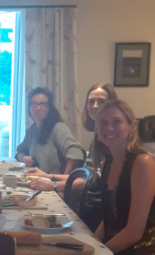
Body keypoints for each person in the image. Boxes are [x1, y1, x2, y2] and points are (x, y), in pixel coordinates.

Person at [89, 99, 155, 255]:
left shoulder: (143, 163)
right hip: (117, 252)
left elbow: (133, 232)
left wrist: (97, 254)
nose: (109, 128)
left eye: (117, 121)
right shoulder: (110, 161)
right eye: (103, 122)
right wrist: (90, 246)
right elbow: (109, 220)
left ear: (131, 127)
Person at [26, 83, 118, 232]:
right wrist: (46, 176)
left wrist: (54, 184)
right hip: (87, 204)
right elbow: (90, 176)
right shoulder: (97, 139)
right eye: (91, 101)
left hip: (94, 209)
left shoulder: (58, 128)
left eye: (101, 101)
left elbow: (80, 161)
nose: (95, 106)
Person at [15, 87, 86, 183]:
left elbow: (76, 152)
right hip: (37, 183)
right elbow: (19, 151)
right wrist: (23, 158)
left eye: (43, 104)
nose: (38, 108)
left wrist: (64, 181)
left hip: (53, 186)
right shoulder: (30, 131)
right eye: (34, 104)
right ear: (29, 107)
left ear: (49, 108)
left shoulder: (58, 128)